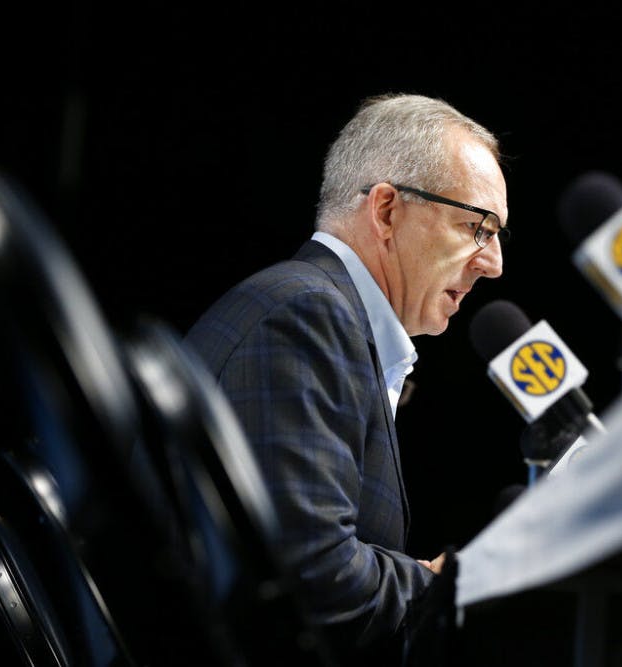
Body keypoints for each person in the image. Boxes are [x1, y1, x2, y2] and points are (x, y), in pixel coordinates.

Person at [182, 92, 509, 664]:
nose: (494, 262)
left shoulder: (318, 313)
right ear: (386, 210)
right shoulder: (306, 315)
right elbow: (314, 580)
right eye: (476, 226)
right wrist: (442, 584)